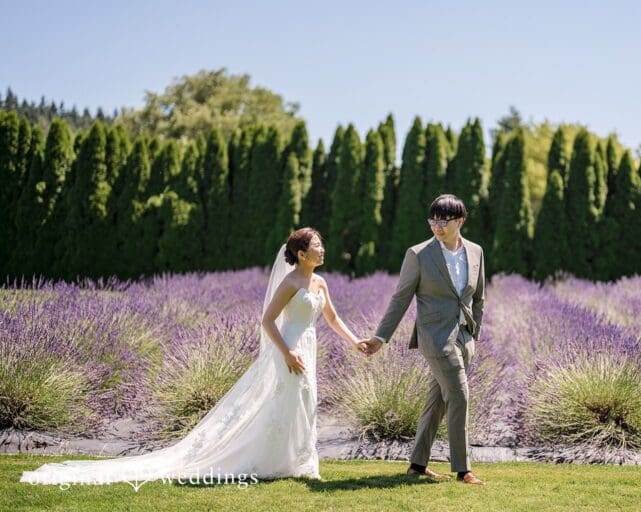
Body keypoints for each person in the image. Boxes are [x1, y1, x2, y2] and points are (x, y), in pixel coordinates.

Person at [20, 227, 366, 485]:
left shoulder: (320, 283)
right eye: (316, 245)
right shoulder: (290, 284)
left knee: (307, 401)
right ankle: (271, 461)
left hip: (309, 346)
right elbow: (267, 321)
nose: (322, 249)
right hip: (289, 347)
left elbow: (332, 318)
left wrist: (355, 342)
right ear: (302, 253)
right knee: (285, 402)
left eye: (320, 244)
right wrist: (287, 351)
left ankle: (298, 462)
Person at [361, 194, 486, 485]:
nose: (437, 227)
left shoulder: (476, 251)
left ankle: (417, 464)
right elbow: (400, 298)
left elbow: (478, 297)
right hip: (435, 338)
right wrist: (381, 337)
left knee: (437, 403)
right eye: (433, 221)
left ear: (460, 221)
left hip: (463, 338)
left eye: (444, 221)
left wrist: (474, 334)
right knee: (459, 396)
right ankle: (463, 469)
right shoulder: (418, 254)